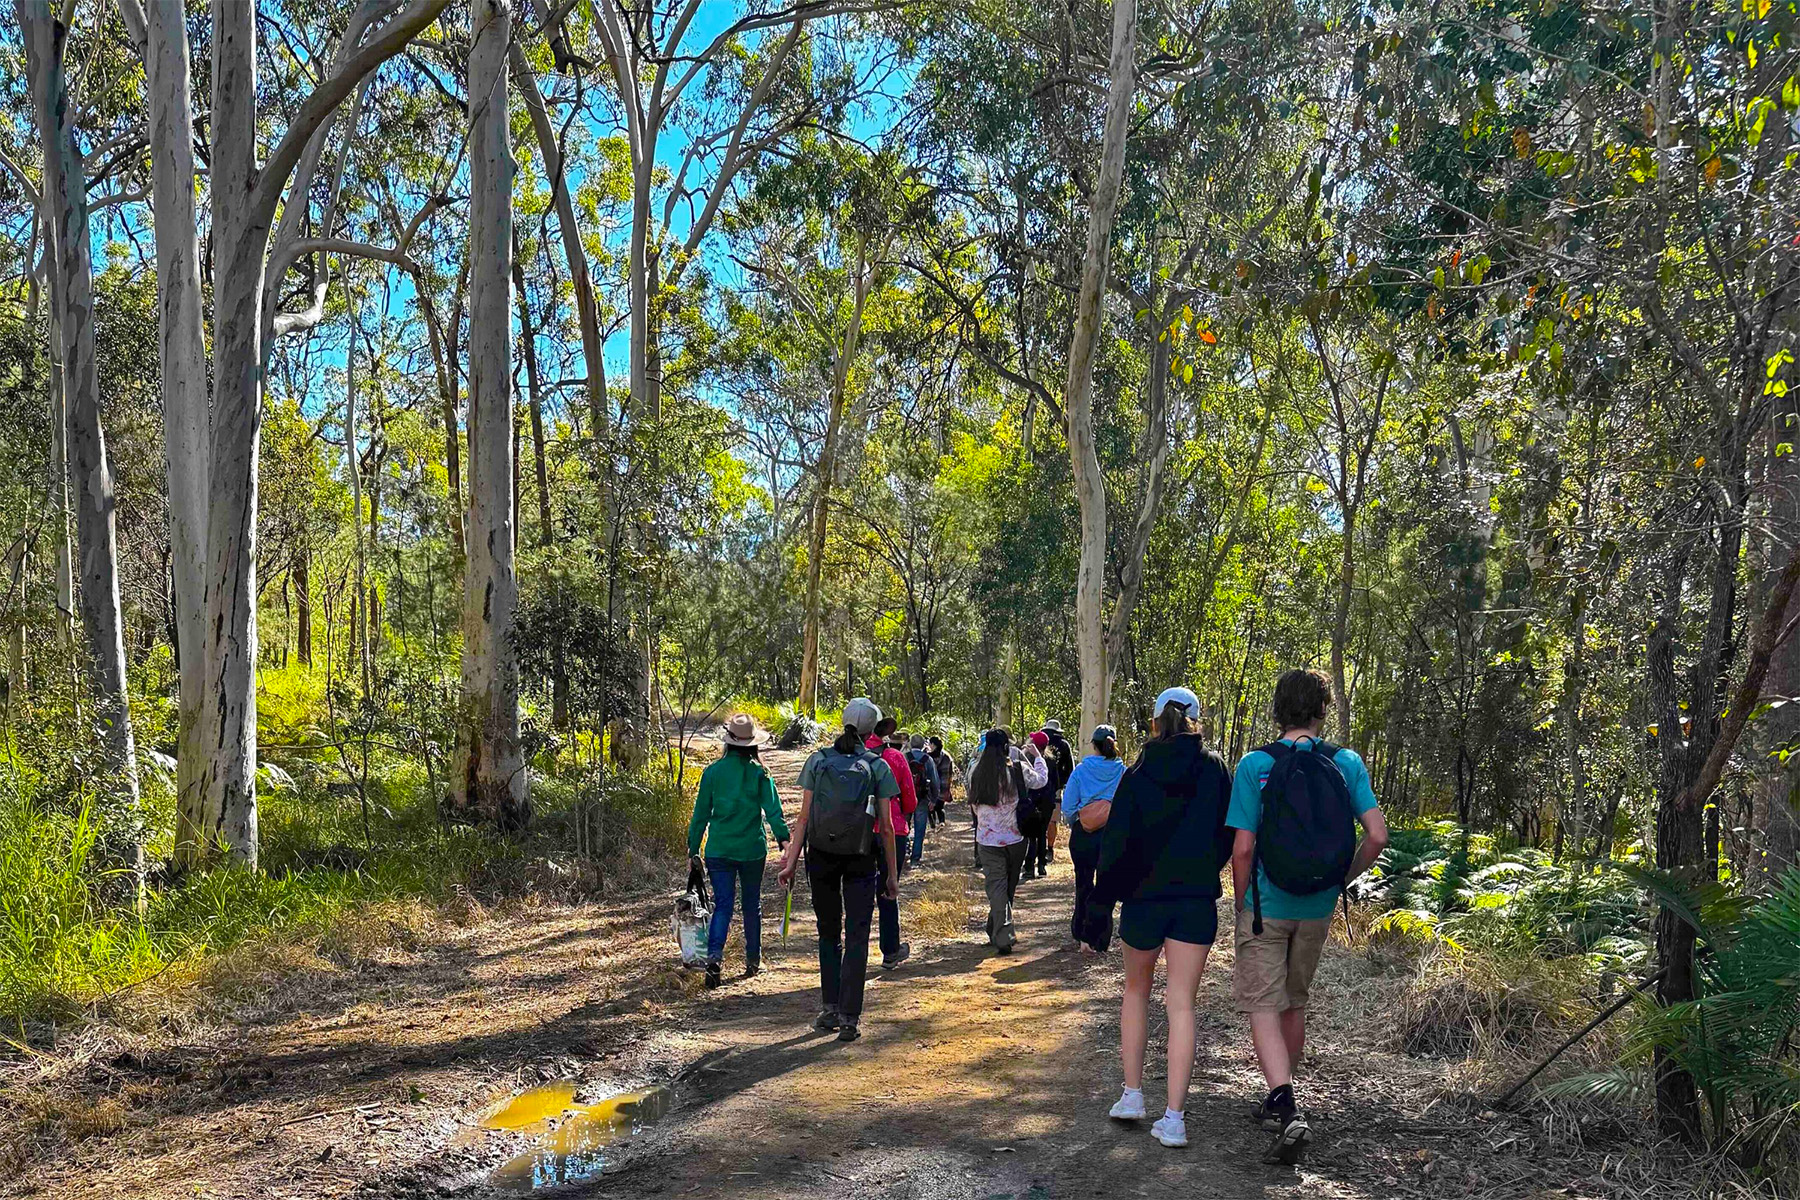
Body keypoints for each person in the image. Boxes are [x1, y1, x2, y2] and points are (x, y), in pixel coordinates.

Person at [1227, 669, 1389, 1165]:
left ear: (1277, 710)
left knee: (1261, 1003)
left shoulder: (1254, 765)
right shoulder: (1347, 763)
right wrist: (1341, 879)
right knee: (1293, 1002)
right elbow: (1378, 836)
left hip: (1265, 907)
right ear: (1323, 711)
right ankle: (1283, 1092)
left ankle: (1285, 1102)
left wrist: (1240, 899)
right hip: (1318, 905)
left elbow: (1243, 849)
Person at [1093, 687, 1233, 1150]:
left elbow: (1116, 842)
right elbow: (1228, 834)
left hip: (1143, 901)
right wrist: (1202, 869)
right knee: (1182, 1005)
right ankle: (1174, 1119)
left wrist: (1102, 900)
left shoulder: (1137, 772)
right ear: (1198, 720)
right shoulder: (1215, 769)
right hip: (1194, 901)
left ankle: (1132, 1096)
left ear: (1155, 723)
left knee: (1135, 992)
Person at [777, 697, 901, 1042]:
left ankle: (830, 1008)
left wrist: (791, 863)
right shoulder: (877, 766)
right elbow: (887, 828)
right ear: (872, 731)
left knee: (828, 932)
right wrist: (891, 875)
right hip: (862, 857)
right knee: (858, 934)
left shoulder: (818, 761)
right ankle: (850, 1017)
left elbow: (803, 818)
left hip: (821, 855)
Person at [686, 713, 790, 989]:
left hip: (718, 849)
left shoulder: (712, 772)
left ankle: (714, 959)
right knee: (751, 905)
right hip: (751, 850)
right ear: (752, 744)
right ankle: (753, 961)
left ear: (728, 742)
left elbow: (700, 816)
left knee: (723, 905)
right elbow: (773, 812)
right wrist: (785, 841)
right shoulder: (760, 773)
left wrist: (693, 849)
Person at [967, 729, 1034, 953]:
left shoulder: (975, 771)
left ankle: (997, 928)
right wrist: (1038, 757)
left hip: (987, 840)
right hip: (1015, 838)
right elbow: (1040, 780)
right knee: (1008, 887)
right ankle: (1003, 935)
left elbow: (974, 806)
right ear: (1006, 747)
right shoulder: (1016, 769)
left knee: (997, 887)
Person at [1061, 724, 1125, 954]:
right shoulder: (1123, 771)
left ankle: (1082, 935)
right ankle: (1101, 937)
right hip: (1111, 835)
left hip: (1084, 835)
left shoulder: (1081, 770)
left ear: (1094, 745)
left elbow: (1068, 806)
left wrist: (1075, 823)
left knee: (1084, 884)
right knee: (1106, 886)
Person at [866, 716, 916, 969]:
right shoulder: (894, 757)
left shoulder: (849, 756)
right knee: (889, 888)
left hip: (859, 832)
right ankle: (890, 950)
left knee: (860, 891)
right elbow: (909, 797)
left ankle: (856, 952)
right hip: (893, 830)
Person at [1018, 732, 1056, 878]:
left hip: (1031, 800)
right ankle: (1041, 865)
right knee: (1041, 833)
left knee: (1031, 834)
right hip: (1047, 802)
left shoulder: (1027, 760)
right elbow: (1056, 782)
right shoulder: (1051, 761)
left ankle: (1029, 867)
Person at [1041, 719, 1076, 867]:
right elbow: (1070, 769)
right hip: (1055, 788)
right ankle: (1050, 848)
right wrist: (1064, 784)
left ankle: (1038, 848)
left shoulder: (1038, 742)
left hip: (1037, 787)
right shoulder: (1064, 744)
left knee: (1039, 816)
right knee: (1052, 819)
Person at [905, 734, 941, 864]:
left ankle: (903, 853)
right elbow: (935, 782)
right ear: (922, 745)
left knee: (904, 827)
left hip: (905, 798)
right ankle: (915, 859)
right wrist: (934, 799)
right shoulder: (928, 760)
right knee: (920, 830)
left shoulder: (905, 757)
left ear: (910, 744)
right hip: (922, 798)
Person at [927, 736, 955, 826]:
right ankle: (942, 823)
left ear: (933, 745)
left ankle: (933, 825)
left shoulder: (928, 757)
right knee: (940, 807)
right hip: (944, 786)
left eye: (929, 744)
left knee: (930, 808)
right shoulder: (947, 757)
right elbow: (951, 772)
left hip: (932, 787)